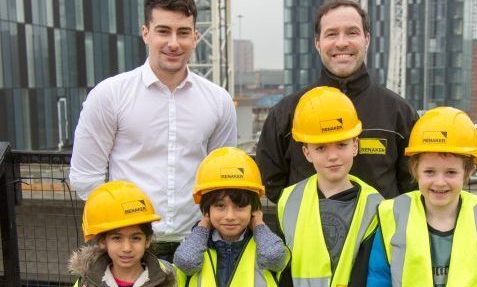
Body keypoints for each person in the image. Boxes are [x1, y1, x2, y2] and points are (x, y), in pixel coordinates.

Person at [69, 0, 237, 261]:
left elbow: (222, 178)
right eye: (163, 31)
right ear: (145, 33)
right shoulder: (109, 95)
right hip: (130, 249)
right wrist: (119, 237)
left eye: (183, 32)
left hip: (200, 244)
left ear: (195, 36)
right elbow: (86, 178)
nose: (174, 42)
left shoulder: (218, 101)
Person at [256, 0, 418, 203]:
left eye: (352, 32)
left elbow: (413, 188)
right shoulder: (287, 113)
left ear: (366, 39)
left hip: (380, 235)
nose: (342, 42)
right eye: (331, 34)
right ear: (318, 43)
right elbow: (270, 182)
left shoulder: (399, 113)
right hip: (308, 235)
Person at [367, 107, 477, 286]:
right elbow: (379, 279)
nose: (439, 182)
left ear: (468, 172)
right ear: (415, 170)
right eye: (429, 172)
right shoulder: (393, 217)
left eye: (450, 172)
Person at [277, 87, 383, 286]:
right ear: (307, 153)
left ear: (355, 146)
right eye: (321, 148)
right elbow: (284, 270)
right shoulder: (289, 200)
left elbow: (372, 272)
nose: (332, 156)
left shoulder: (375, 205)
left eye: (341, 145)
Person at [173, 147, 289, 286]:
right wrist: (203, 225)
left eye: (240, 206)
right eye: (220, 206)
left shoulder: (265, 243)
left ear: (254, 209)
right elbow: (186, 263)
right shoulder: (197, 244)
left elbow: (274, 258)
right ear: (206, 210)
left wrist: (259, 224)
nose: (230, 216)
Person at [69, 181, 186, 287]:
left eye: (135, 238)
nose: (127, 248)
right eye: (117, 238)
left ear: (148, 240)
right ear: (103, 241)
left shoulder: (167, 282)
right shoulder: (86, 283)